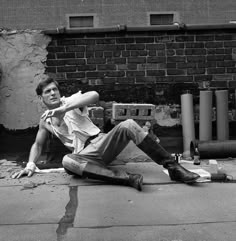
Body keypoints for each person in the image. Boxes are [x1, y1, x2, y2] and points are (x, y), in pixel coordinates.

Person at [12, 77, 200, 191]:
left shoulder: (69, 101)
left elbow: (94, 95)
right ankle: (127, 179)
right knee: (67, 161)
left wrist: (65, 108)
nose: (53, 93)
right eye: (47, 91)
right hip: (84, 156)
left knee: (128, 124)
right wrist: (30, 165)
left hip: (101, 142)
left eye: (55, 89)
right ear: (41, 97)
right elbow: (37, 144)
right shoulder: (44, 120)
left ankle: (173, 168)